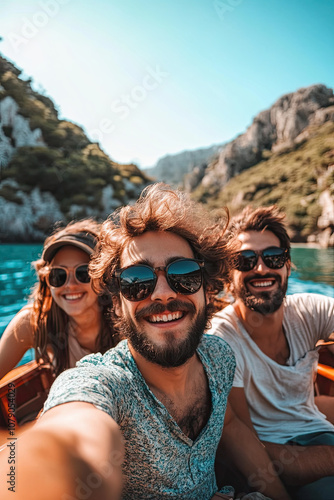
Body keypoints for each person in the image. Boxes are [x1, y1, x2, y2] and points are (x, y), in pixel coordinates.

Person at [0, 185, 290, 500]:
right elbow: (74, 433)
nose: (163, 293)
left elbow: (232, 425)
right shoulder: (103, 382)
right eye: (137, 282)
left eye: (185, 274)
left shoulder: (220, 356)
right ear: (115, 303)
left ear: (207, 290)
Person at [208, 205, 334, 500]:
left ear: (288, 265)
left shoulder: (311, 311)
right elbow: (245, 444)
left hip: (320, 435)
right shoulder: (222, 338)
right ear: (229, 273)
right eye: (245, 260)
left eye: (274, 257)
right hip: (270, 458)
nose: (261, 268)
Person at [0, 219, 119, 380]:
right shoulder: (35, 322)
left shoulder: (123, 319)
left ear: (103, 277)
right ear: (46, 280)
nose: (70, 285)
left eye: (83, 273)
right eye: (59, 275)